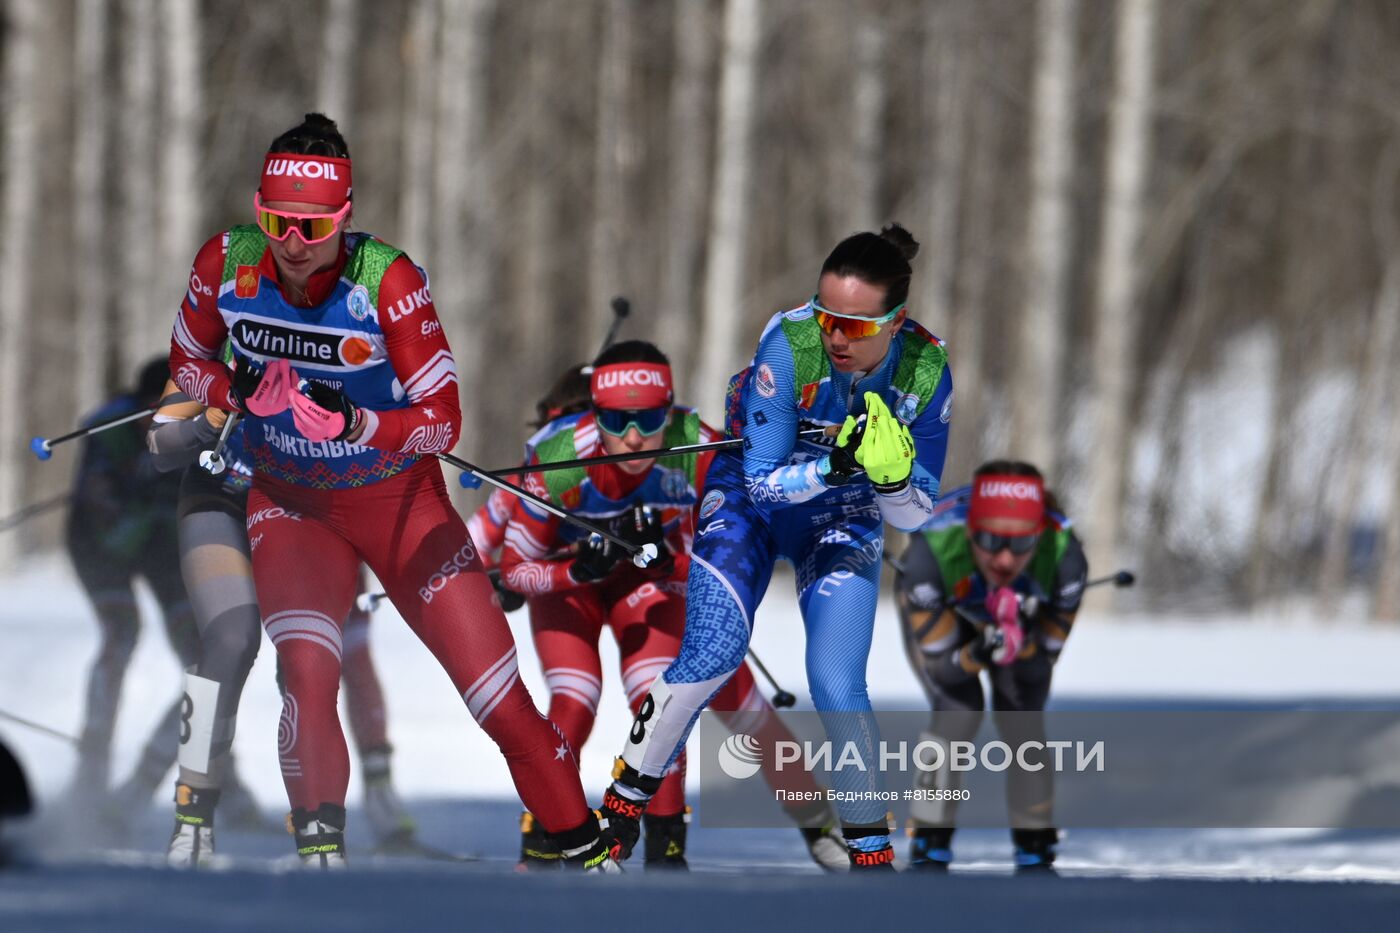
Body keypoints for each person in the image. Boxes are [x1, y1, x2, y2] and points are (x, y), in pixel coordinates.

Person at [166, 113, 614, 869]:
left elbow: (443, 421)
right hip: (293, 500)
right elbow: (186, 359)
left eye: (313, 226)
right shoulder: (227, 261)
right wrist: (235, 388)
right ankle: (320, 860)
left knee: (498, 701)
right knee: (307, 670)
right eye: (276, 220)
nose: (293, 243)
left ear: (345, 217)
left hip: (399, 504)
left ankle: (586, 852)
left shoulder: (386, 279)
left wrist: (356, 420)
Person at [598, 224, 953, 869]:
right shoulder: (790, 343)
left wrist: (893, 479)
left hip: (841, 514)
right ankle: (626, 800)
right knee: (712, 652)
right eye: (827, 317)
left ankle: (870, 850)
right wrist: (837, 467)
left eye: (859, 327)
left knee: (837, 681)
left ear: (896, 323)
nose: (837, 337)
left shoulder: (928, 370)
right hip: (753, 500)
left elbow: (919, 516)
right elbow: (761, 486)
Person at [499, 341, 847, 871]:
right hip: (572, 586)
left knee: (696, 691)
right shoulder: (558, 457)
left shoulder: (699, 447)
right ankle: (546, 834)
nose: (634, 437)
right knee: (576, 695)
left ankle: (692, 839)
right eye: (615, 420)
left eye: (650, 418)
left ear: (673, 408)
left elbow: (734, 553)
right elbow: (515, 570)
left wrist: (670, 563)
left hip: (650, 583)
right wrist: (577, 570)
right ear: (594, 414)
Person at [146, 379, 421, 866]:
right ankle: (192, 819)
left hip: (306, 506)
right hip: (223, 496)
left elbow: (394, 429)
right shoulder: (221, 337)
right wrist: (213, 415)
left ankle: (318, 824)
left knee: (306, 657)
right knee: (231, 638)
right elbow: (161, 447)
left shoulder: (343, 337)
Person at [894, 461, 1087, 872]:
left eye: (1020, 544)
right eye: (987, 539)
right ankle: (930, 836)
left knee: (1022, 716)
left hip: (1021, 621)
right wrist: (978, 653)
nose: (1003, 558)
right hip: (944, 605)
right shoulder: (932, 554)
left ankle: (1035, 842)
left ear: (1039, 536)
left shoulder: (1065, 558)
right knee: (957, 711)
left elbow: (1039, 668)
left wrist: (1023, 644)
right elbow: (944, 670)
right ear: (968, 531)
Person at [63, 358, 201, 815]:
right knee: (122, 633)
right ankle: (92, 771)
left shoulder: (203, 428)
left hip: (162, 545)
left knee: (206, 660)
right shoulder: (109, 426)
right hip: (102, 543)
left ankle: (148, 785)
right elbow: (105, 516)